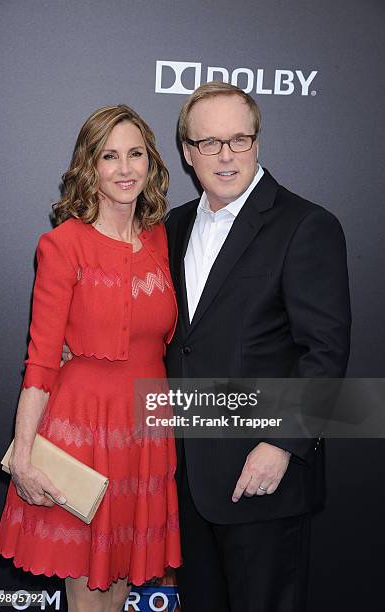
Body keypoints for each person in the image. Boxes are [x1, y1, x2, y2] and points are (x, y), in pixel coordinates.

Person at [165, 82, 351, 612]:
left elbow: (326, 351)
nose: (226, 156)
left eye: (239, 140)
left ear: (258, 142)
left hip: (262, 476)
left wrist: (282, 445)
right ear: (187, 151)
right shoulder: (173, 226)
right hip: (186, 478)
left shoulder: (306, 225)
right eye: (210, 143)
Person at [0, 105, 181, 612]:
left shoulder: (164, 240)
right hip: (84, 432)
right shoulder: (62, 245)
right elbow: (40, 363)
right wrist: (25, 457)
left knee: (121, 585)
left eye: (136, 154)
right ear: (90, 166)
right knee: (88, 593)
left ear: (151, 162)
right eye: (110, 156)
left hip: (146, 430)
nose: (125, 168)